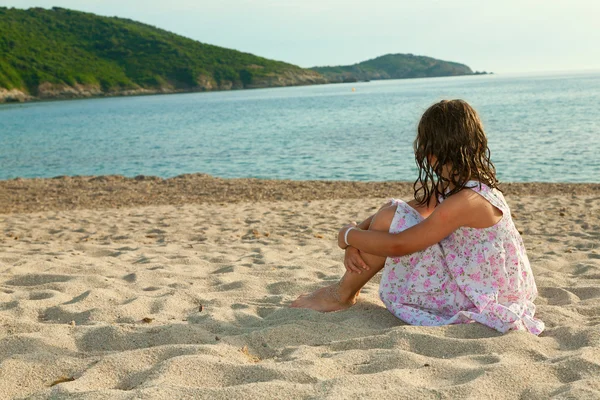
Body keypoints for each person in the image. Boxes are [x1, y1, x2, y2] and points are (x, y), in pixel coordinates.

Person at [291, 99, 544, 335]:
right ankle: (342, 292)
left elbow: (399, 245)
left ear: (429, 151)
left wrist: (347, 236)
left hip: (481, 295)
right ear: (477, 144)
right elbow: (398, 209)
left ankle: (341, 294)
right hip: (472, 282)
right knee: (391, 214)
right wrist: (355, 238)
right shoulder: (455, 187)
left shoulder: (468, 201)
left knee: (391, 221)